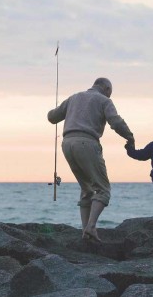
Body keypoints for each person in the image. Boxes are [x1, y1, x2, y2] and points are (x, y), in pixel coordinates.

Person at [47, 77, 135, 242]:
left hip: (67, 144)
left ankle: (85, 231)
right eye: (110, 92)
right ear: (107, 89)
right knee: (103, 190)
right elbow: (115, 122)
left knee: (87, 188)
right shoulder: (104, 100)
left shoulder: (74, 98)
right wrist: (130, 137)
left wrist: (58, 110)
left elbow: (52, 117)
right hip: (87, 143)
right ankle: (91, 227)